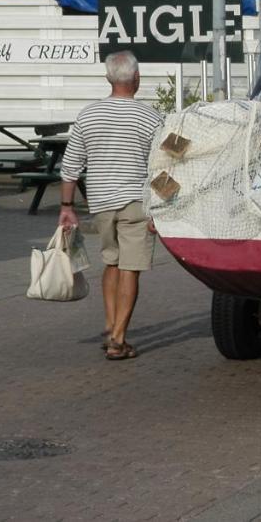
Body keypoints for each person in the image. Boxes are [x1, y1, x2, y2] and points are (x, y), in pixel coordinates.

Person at [58, 51, 164, 361]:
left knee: (111, 262)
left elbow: (70, 165)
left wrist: (66, 206)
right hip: (136, 202)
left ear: (108, 78)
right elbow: (162, 168)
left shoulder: (88, 115)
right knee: (131, 268)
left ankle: (109, 324)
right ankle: (118, 338)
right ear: (137, 79)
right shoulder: (151, 118)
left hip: (101, 202)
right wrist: (160, 209)